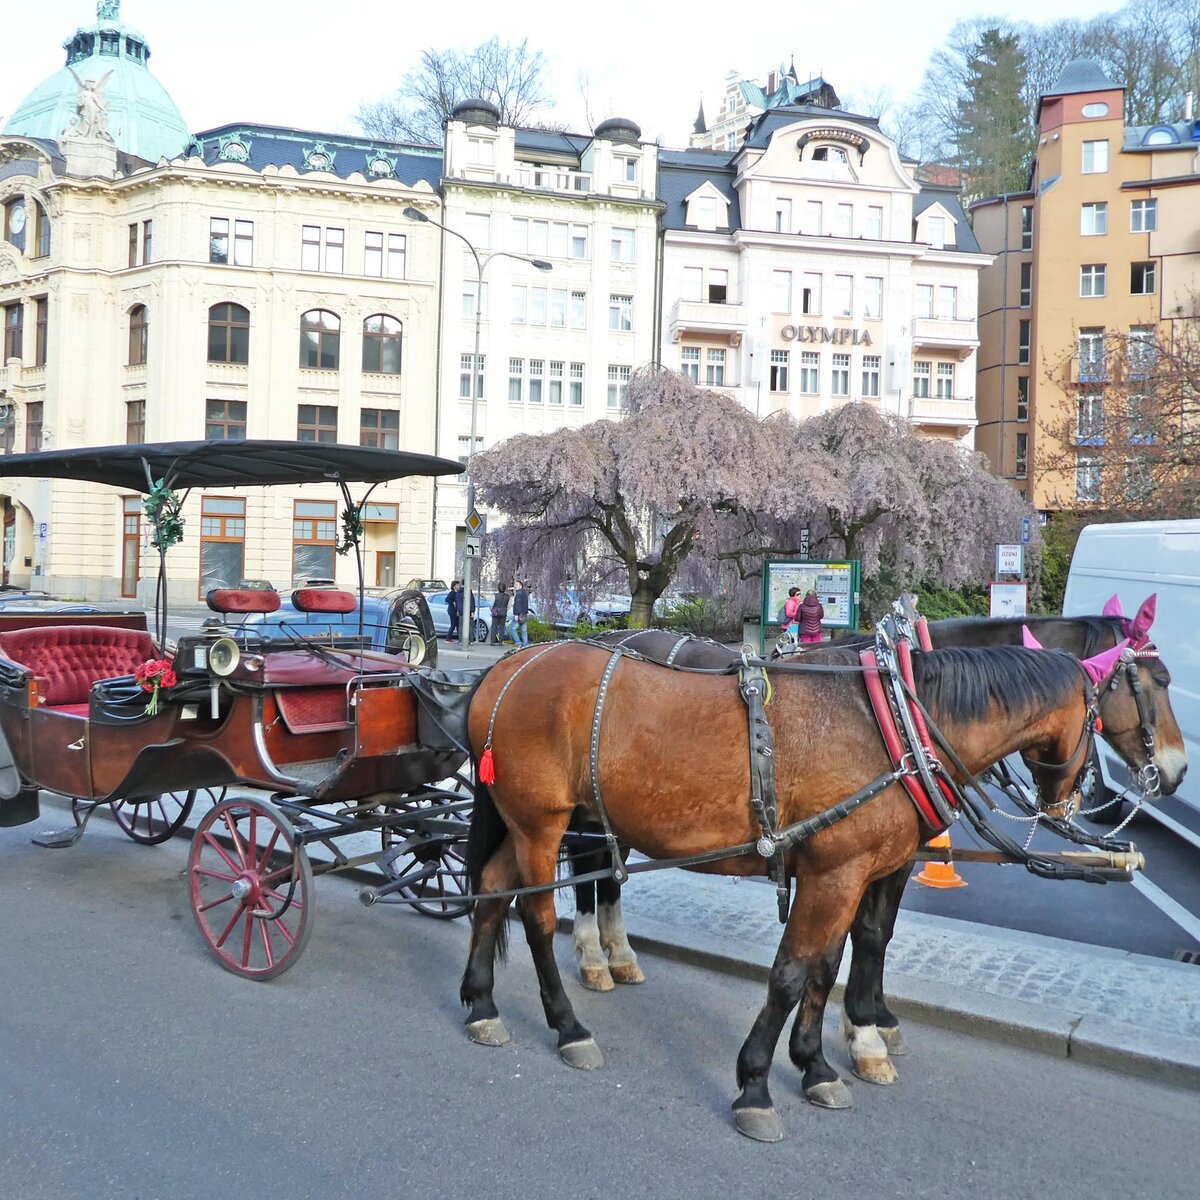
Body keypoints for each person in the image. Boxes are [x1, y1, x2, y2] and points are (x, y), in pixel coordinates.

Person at [510, 579, 530, 647]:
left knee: (512, 628)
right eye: (515, 585)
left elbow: (518, 605)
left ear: (521, 586)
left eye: (517, 585)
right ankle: (525, 644)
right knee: (524, 631)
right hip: (524, 614)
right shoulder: (524, 593)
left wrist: (516, 614)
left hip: (519, 615)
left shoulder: (519, 594)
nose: (515, 586)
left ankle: (518, 642)